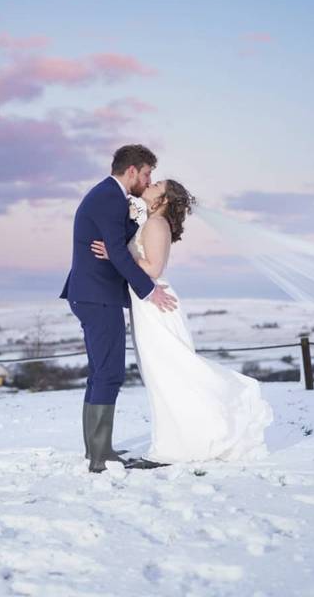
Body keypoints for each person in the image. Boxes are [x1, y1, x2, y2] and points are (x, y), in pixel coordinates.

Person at [90, 179, 273, 467]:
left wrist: (115, 255)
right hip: (146, 306)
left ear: (162, 199)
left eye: (157, 185)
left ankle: (174, 447)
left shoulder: (156, 225)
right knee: (162, 375)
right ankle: (180, 441)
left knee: (169, 373)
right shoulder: (150, 221)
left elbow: (153, 268)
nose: (150, 184)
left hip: (156, 304)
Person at [60, 144, 177, 473]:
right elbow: (116, 251)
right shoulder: (109, 197)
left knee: (99, 373)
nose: (149, 179)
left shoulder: (107, 197)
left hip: (92, 294)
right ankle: (100, 457)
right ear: (131, 171)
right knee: (109, 374)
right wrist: (148, 290)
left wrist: (129, 225)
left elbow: (115, 243)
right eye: (147, 174)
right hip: (98, 295)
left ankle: (97, 449)